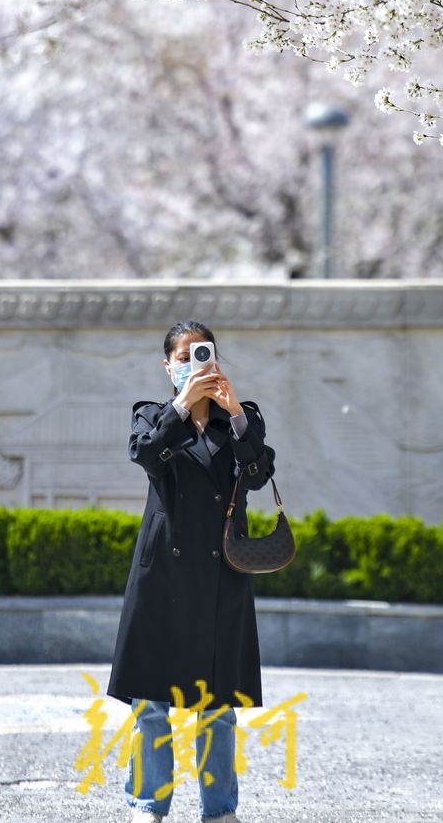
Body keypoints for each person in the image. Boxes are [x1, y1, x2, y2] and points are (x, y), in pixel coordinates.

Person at [106, 319, 277, 823]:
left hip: (221, 571)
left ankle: (220, 810)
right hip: (162, 574)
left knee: (218, 707)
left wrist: (235, 415)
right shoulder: (152, 415)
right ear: (168, 366)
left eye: (203, 353)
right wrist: (183, 407)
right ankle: (147, 804)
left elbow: (259, 473)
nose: (194, 364)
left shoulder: (240, 419)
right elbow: (146, 454)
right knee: (152, 702)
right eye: (184, 358)